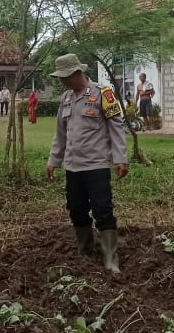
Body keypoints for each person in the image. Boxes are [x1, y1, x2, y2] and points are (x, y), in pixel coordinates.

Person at [46, 53, 128, 273]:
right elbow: (60, 134)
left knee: (103, 210)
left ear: (77, 73)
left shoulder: (104, 94)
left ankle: (110, 258)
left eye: (65, 77)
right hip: (73, 166)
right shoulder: (66, 99)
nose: (62, 82)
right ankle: (85, 250)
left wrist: (120, 158)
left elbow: (117, 126)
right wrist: (54, 160)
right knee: (76, 209)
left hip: (97, 165)